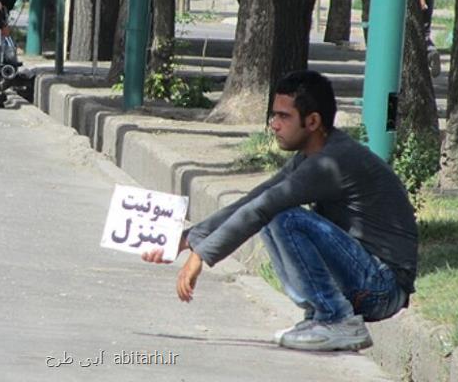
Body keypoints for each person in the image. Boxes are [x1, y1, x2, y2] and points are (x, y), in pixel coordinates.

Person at [142, 70, 418, 352]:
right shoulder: (312, 157)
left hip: (381, 287)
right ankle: (320, 317)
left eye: (283, 117)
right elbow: (256, 198)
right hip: (367, 277)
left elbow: (264, 208)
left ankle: (337, 319)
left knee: (284, 218)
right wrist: (189, 238)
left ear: (312, 121)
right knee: (273, 210)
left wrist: (202, 255)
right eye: (273, 116)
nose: (274, 125)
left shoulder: (331, 162)